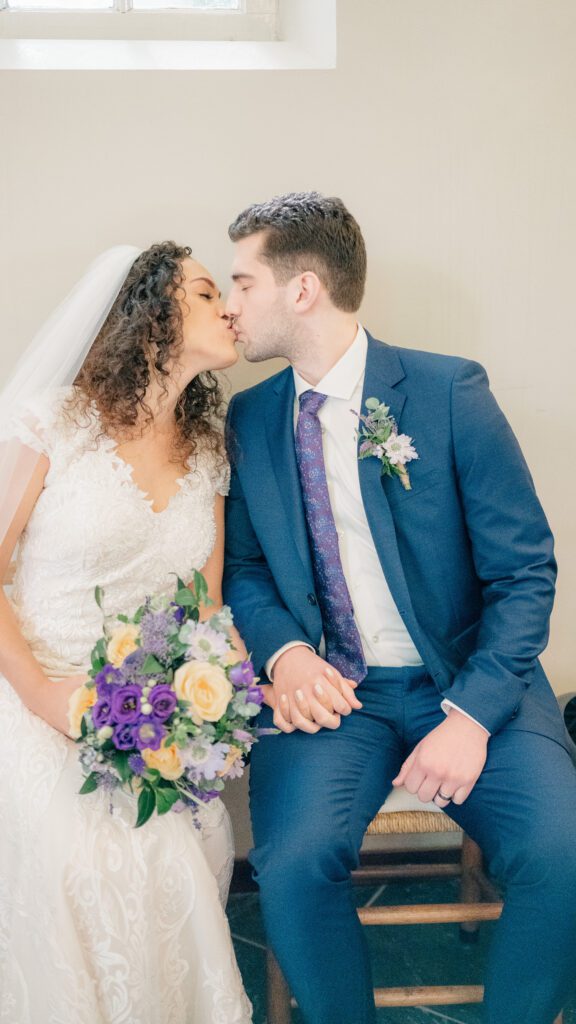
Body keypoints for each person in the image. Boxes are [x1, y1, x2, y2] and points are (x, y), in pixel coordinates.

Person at [223, 192, 576, 1024]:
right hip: (335, 696)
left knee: (564, 853)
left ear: (302, 289)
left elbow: (526, 572)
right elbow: (242, 568)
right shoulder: (249, 418)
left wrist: (474, 715)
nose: (231, 305)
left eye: (243, 282)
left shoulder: (449, 392)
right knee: (296, 860)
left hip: (470, 676)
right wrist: (286, 655)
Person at [0, 242, 253, 1023]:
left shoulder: (207, 451)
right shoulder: (54, 422)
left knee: (190, 847)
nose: (231, 309)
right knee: (75, 854)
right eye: (210, 294)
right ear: (153, 316)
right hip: (30, 685)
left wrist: (216, 701)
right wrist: (46, 695)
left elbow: (205, 602)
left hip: (146, 709)